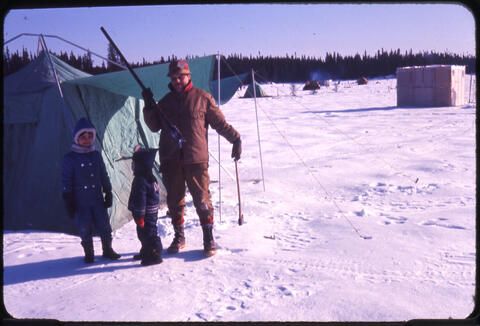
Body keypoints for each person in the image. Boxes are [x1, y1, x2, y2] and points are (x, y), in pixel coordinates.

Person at [142, 59, 242, 257]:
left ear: (188, 76)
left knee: (202, 200)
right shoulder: (165, 102)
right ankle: (179, 237)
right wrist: (148, 106)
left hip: (196, 159)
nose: (177, 81)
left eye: (181, 77)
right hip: (171, 159)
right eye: (174, 78)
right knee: (174, 201)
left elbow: (220, 124)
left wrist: (236, 139)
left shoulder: (203, 99)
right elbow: (154, 126)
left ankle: (208, 238)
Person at [62, 117, 121, 263]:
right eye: (83, 137)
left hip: (97, 199)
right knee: (85, 226)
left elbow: (103, 174)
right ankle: (89, 253)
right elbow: (66, 179)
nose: (87, 140)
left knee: (104, 224)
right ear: (76, 138)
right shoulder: (70, 158)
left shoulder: (96, 155)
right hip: (81, 201)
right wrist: (68, 198)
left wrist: (107, 190)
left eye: (90, 137)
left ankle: (107, 249)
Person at [128, 145, 163, 266]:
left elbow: (140, 199)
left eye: (135, 163)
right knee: (144, 233)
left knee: (148, 234)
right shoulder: (149, 177)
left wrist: (139, 215)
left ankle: (155, 254)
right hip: (150, 212)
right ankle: (146, 251)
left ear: (141, 165)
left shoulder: (141, 180)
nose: (133, 166)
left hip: (145, 214)